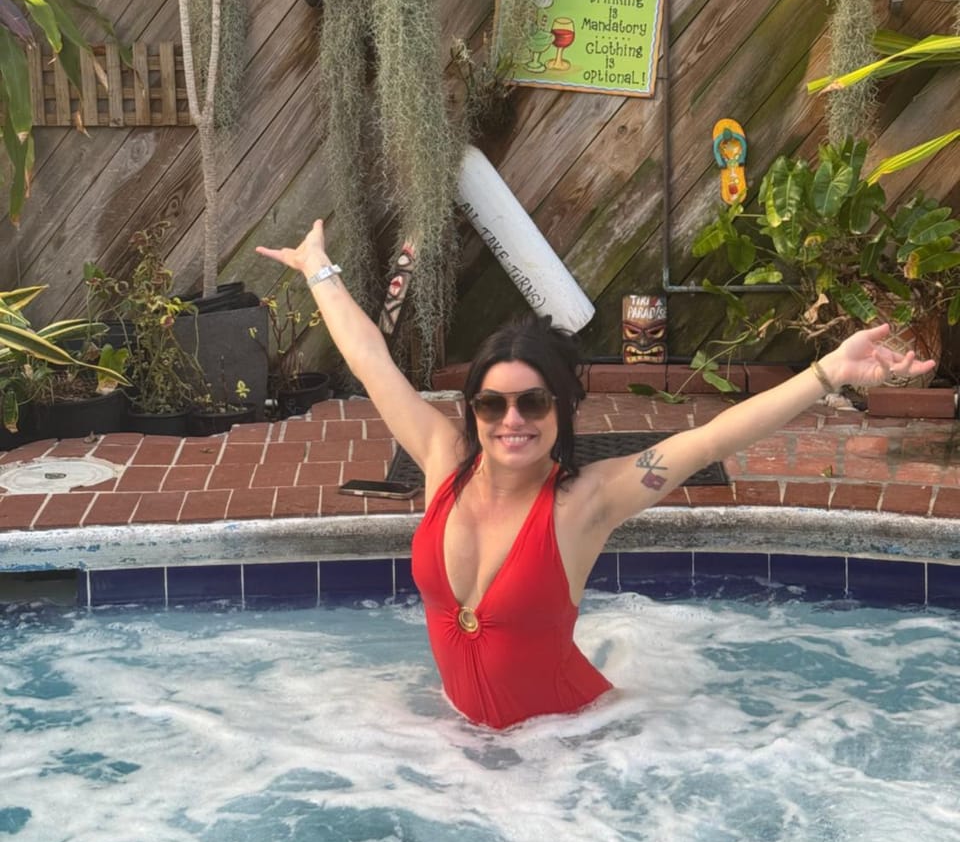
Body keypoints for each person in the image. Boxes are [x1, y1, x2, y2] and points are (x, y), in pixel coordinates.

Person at [256, 221, 935, 731]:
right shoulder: (441, 456)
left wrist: (828, 373)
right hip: (467, 748)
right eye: (492, 404)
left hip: (570, 754)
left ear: (561, 408)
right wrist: (319, 268)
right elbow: (371, 360)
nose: (512, 420)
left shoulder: (585, 502)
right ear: (474, 409)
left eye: (533, 402)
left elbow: (708, 440)